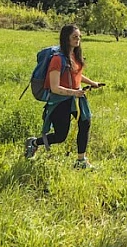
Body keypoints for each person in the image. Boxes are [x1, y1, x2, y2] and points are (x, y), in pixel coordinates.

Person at [24, 24, 105, 169]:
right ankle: (34, 143)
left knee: (85, 123)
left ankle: (81, 161)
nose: (78, 39)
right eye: (75, 37)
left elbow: (75, 75)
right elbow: (55, 87)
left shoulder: (74, 55)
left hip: (75, 98)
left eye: (79, 36)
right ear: (66, 38)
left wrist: (93, 83)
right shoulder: (57, 59)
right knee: (60, 136)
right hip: (60, 100)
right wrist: (74, 92)